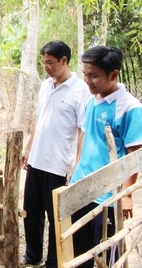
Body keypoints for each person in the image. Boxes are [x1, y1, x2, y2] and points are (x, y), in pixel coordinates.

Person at [70, 46, 142, 267]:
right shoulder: (92, 99)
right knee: (79, 252)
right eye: (85, 75)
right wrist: (75, 169)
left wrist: (127, 193)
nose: (88, 81)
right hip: (81, 186)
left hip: (108, 195)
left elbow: (135, 154)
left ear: (113, 74)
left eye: (94, 76)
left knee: (105, 254)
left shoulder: (129, 107)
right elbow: (85, 135)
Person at [20, 40, 90, 267]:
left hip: (59, 164)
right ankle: (32, 255)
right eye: (44, 63)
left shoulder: (81, 90)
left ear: (64, 60)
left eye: (50, 63)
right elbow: (39, 118)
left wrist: (75, 164)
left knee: (56, 216)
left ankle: (54, 261)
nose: (46, 67)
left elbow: (82, 130)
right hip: (37, 160)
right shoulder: (45, 86)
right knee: (31, 211)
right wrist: (29, 148)